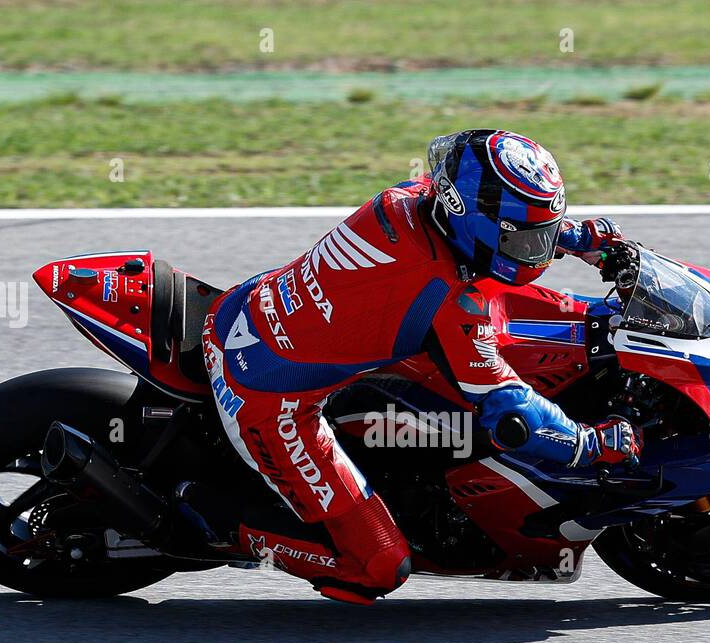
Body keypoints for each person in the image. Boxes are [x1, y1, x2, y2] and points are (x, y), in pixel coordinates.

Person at [198, 129, 641, 604]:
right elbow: (513, 414)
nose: (537, 248)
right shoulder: (443, 297)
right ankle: (218, 522)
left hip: (249, 304)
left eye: (543, 232)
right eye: (527, 239)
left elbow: (496, 231)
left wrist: (581, 238)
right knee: (378, 567)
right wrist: (590, 444)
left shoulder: (416, 199)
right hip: (266, 396)